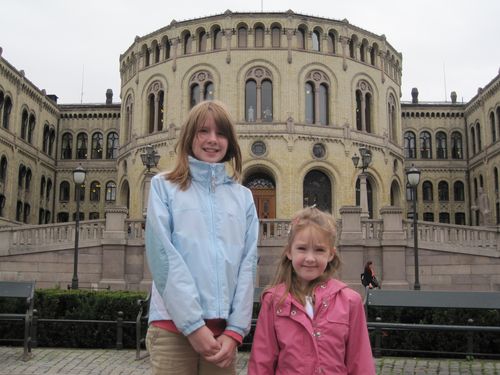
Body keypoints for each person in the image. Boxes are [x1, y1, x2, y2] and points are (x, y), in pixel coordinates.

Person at [145, 100, 259, 375]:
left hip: (223, 335)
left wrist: (235, 331)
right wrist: (193, 326)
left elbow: (248, 265)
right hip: (173, 327)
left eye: (220, 133)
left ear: (230, 142)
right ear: (189, 137)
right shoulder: (163, 187)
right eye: (203, 131)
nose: (212, 140)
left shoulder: (243, 197)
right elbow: (163, 259)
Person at [248, 207, 375, 374]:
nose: (310, 258)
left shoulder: (350, 301)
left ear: (331, 254)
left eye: (319, 250)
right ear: (289, 252)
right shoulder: (274, 300)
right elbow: (262, 361)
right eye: (301, 248)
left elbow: (360, 362)